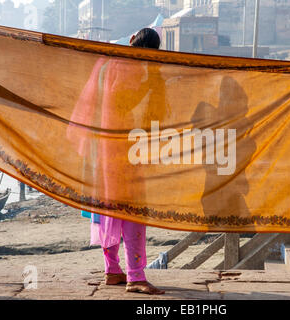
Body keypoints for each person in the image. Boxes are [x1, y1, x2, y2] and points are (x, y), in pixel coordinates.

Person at [72, 28, 165, 295]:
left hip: (99, 149)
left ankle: (113, 271)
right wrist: (150, 86)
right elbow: (121, 105)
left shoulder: (108, 60)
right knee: (132, 213)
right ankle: (135, 276)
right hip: (120, 150)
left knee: (109, 210)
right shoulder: (129, 67)